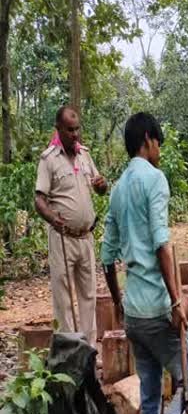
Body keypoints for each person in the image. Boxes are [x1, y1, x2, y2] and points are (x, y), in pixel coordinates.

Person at [102, 113, 188, 414]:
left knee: (149, 389)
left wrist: (118, 302)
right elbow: (163, 244)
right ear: (148, 140)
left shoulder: (116, 189)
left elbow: (106, 255)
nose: (159, 150)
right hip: (158, 309)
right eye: (158, 143)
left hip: (133, 311)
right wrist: (177, 299)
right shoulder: (153, 180)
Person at [35, 105, 108, 346]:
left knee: (89, 296)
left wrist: (101, 186)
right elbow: (39, 200)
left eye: (77, 129)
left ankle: (88, 353)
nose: (75, 134)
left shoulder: (85, 155)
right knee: (63, 298)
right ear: (58, 129)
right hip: (62, 239)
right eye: (69, 130)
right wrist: (52, 218)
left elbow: (100, 189)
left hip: (85, 237)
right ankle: (68, 354)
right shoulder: (49, 159)